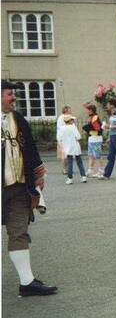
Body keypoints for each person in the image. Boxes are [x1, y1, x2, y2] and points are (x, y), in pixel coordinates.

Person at [1, 80, 57, 296]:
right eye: (8, 94)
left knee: (19, 231)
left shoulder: (18, 119)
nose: (13, 98)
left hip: (17, 186)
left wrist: (37, 174)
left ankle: (27, 283)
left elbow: (31, 148)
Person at [58, 115, 87, 184]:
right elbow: (78, 137)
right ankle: (83, 177)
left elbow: (59, 139)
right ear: (70, 121)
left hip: (67, 148)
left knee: (70, 162)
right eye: (72, 120)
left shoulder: (61, 128)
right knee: (79, 162)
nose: (73, 121)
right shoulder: (73, 127)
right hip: (75, 146)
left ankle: (70, 178)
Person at [82, 103, 104, 178]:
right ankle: (90, 170)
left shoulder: (94, 117)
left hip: (96, 139)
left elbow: (97, 128)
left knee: (98, 155)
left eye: (88, 110)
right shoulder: (92, 117)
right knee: (91, 155)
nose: (87, 111)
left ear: (91, 110)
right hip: (91, 138)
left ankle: (101, 170)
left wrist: (87, 127)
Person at [56, 105, 71, 174]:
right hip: (62, 138)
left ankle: (67, 168)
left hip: (66, 138)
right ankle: (64, 169)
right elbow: (61, 127)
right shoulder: (62, 117)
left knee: (67, 154)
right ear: (66, 111)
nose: (70, 111)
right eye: (69, 110)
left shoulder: (67, 117)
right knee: (64, 155)